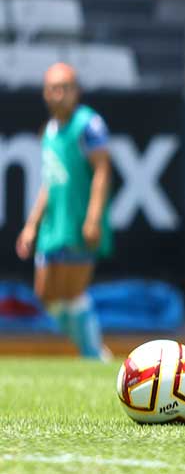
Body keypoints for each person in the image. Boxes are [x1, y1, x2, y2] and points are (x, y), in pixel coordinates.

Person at [14, 63, 113, 360]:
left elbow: (102, 171)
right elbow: (50, 181)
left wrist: (93, 217)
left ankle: (93, 352)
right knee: (45, 295)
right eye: (53, 88)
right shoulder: (49, 131)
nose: (59, 94)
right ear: (45, 93)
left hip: (78, 220)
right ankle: (88, 345)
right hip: (52, 225)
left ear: (76, 92)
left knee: (71, 293)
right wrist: (32, 224)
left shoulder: (89, 125)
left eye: (65, 88)